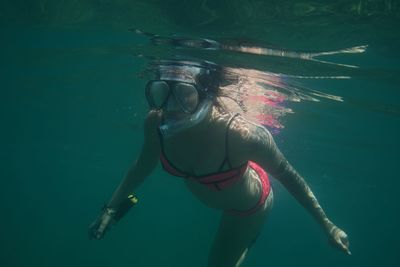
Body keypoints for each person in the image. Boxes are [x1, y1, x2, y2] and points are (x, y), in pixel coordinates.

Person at [89, 59, 351, 267]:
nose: (171, 106)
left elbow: (289, 176)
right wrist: (111, 207)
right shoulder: (156, 123)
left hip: (249, 207)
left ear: (206, 94)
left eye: (183, 94)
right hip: (223, 195)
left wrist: (328, 225)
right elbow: (143, 164)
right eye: (162, 93)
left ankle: (248, 240)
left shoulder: (241, 135)